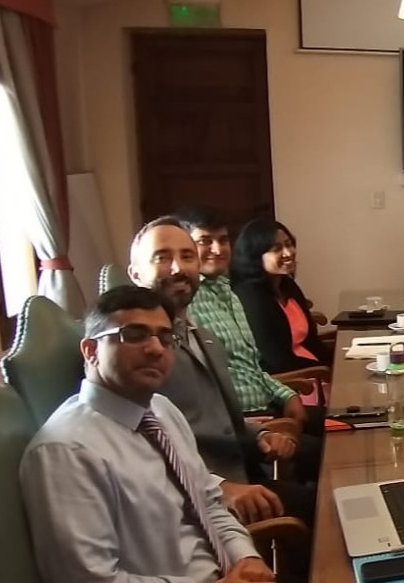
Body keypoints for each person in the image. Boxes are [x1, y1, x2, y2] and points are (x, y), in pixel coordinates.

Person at [20, 286, 304, 583]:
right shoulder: (66, 451)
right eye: (134, 335)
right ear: (90, 350)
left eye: (165, 337)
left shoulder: (161, 410)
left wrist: (245, 557)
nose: (155, 348)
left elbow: (209, 501)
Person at [128, 218, 316, 524]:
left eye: (187, 257)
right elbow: (136, 446)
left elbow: (221, 419)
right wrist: (219, 486)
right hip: (201, 500)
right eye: (162, 257)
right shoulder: (135, 349)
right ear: (135, 273)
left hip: (243, 471)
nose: (178, 268)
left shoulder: (202, 336)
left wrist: (261, 434)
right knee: (330, 510)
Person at [171, 206, 308, 423]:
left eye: (223, 240)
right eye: (205, 241)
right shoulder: (185, 302)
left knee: (351, 422)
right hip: (245, 422)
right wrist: (256, 429)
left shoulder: (229, 292)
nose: (218, 249)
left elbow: (251, 366)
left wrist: (287, 396)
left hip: (269, 407)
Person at [230, 218, 331, 373]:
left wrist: (335, 365)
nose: (288, 253)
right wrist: (325, 371)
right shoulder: (251, 298)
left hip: (313, 369)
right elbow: (276, 361)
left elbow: (311, 340)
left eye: (289, 244)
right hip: (292, 379)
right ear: (255, 256)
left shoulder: (287, 285)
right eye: (276, 249)